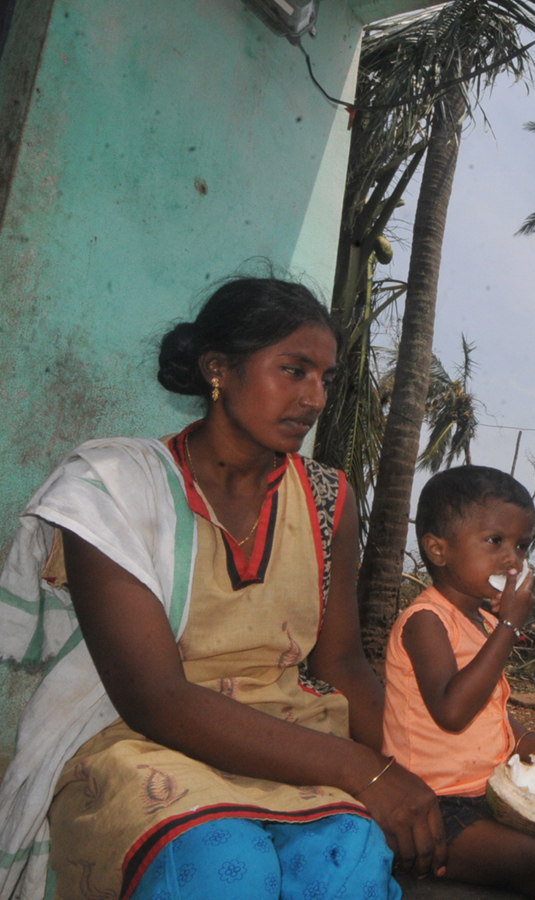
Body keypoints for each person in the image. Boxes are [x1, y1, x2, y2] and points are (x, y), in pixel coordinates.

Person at [0, 276, 446, 900]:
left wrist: (420, 776)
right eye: (293, 370)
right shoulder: (112, 489)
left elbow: (341, 661)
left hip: (294, 737)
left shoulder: (327, 499)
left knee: (344, 866)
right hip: (140, 741)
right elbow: (156, 697)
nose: (313, 397)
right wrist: (362, 769)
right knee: (220, 868)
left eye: (325, 378)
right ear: (219, 368)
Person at [382, 466, 535, 900]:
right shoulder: (426, 623)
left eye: (521, 545)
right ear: (438, 549)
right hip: (437, 808)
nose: (513, 559)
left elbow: (490, 712)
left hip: (489, 794)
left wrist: (526, 740)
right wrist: (510, 624)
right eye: (496, 542)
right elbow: (452, 712)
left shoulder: (482, 623)